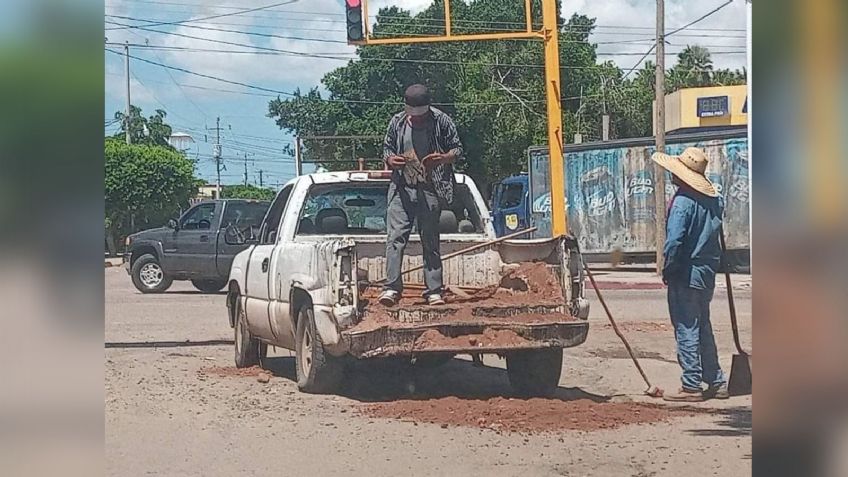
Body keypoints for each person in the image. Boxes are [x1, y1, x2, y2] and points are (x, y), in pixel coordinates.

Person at [652, 147, 729, 402]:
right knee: (702, 325)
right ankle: (716, 380)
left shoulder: (683, 202)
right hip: (706, 271)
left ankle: (691, 384)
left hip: (686, 271)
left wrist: (668, 268)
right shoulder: (713, 200)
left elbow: (674, 241)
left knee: (686, 326)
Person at [379, 84, 463, 307]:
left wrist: (443, 158)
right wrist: (390, 160)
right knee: (396, 238)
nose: (416, 120)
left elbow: (457, 149)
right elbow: (387, 149)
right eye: (412, 116)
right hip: (402, 188)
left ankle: (434, 290)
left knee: (430, 239)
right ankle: (391, 288)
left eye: (421, 116)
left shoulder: (442, 121)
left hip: (430, 188)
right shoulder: (396, 122)